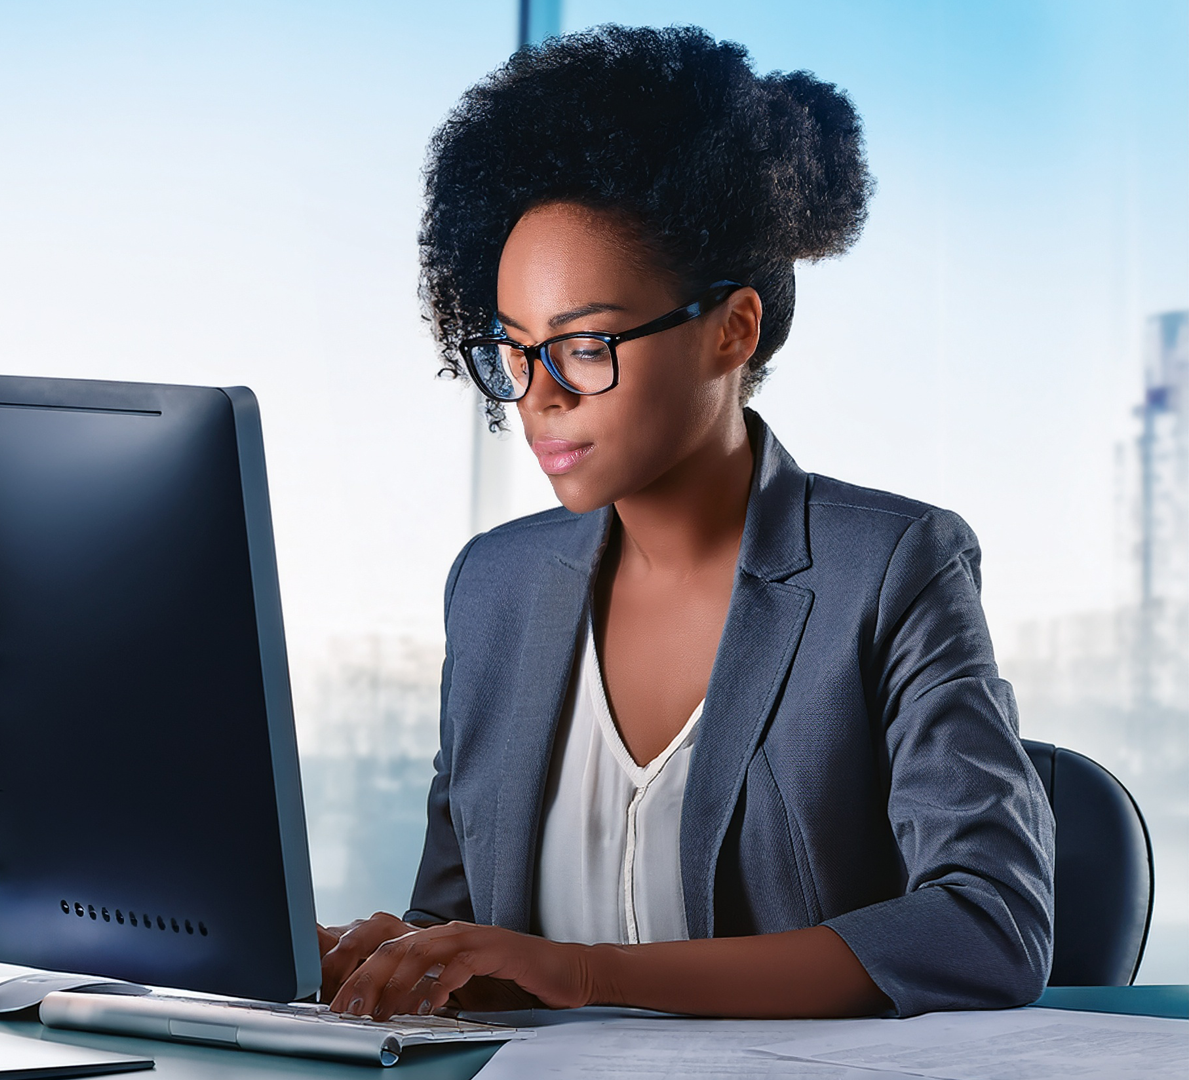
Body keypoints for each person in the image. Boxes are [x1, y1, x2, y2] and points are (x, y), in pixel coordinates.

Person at [318, 25, 1053, 1021]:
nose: (537, 397)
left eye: (583, 346)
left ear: (729, 331)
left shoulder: (890, 569)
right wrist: (396, 957)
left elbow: (988, 927)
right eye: (511, 351)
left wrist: (578, 973)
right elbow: (464, 929)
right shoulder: (495, 586)